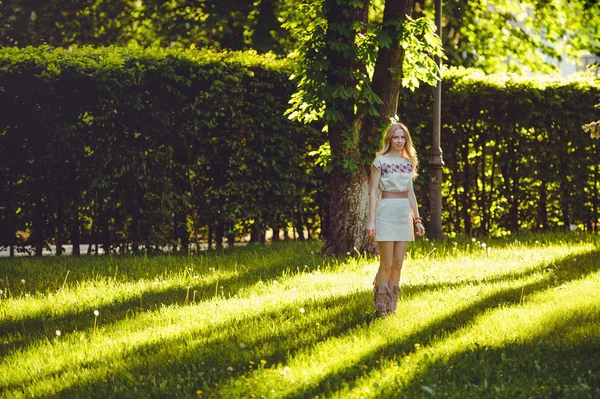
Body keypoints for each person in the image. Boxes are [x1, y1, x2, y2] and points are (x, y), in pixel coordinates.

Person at [366, 122, 425, 317]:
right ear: (389, 139)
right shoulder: (379, 161)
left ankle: (392, 305)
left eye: (403, 138)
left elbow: (410, 193)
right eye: (396, 137)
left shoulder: (408, 162)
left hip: (403, 215)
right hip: (386, 211)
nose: (399, 141)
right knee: (387, 263)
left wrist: (417, 220)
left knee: (398, 263)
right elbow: (374, 192)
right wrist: (371, 220)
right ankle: (380, 306)